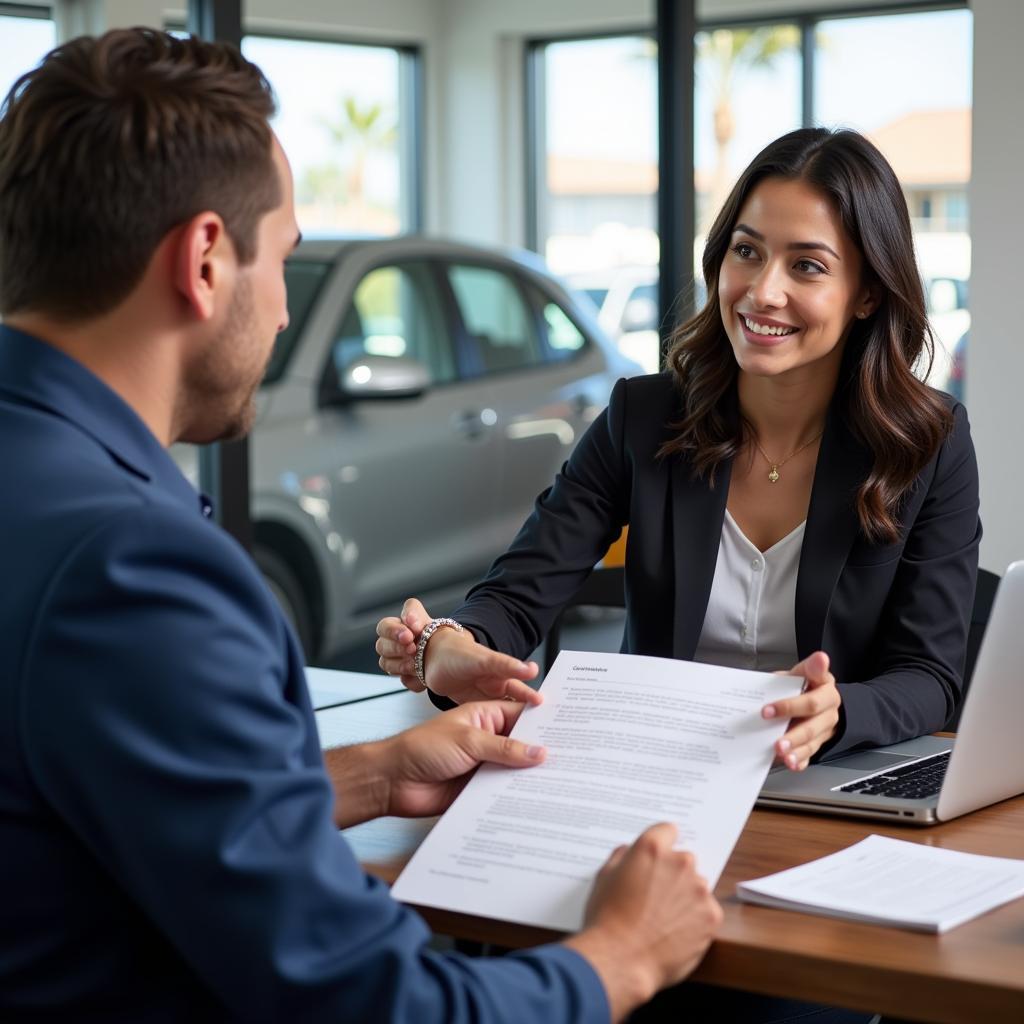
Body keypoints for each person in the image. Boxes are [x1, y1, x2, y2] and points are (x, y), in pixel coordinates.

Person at [0, 29, 723, 1022]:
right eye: (284, 264)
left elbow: (82, 801)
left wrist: (369, 774)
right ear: (205, 259)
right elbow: (372, 1005)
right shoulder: (135, 565)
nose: (286, 316)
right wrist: (620, 955)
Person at [377, 126, 981, 772]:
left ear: (866, 293)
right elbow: (521, 591)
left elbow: (929, 675)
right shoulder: (644, 416)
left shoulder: (928, 443)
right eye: (746, 251)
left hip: (821, 781)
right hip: (651, 772)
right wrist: (452, 643)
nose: (761, 290)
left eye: (806, 265)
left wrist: (841, 712)